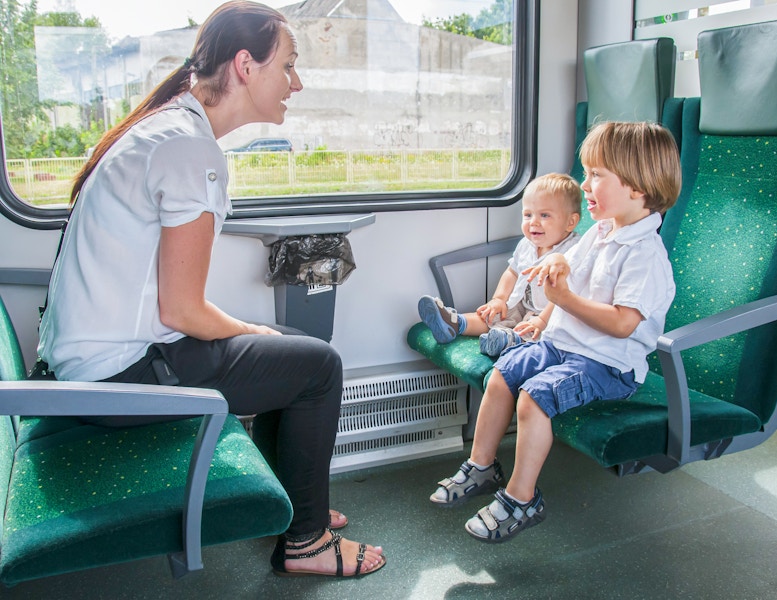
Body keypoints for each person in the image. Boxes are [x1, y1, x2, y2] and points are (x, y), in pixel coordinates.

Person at [37, 1, 384, 578]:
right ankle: (307, 544)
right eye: (290, 65)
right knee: (317, 365)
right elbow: (182, 308)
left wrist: (260, 334)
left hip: (94, 362)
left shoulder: (171, 128)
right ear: (246, 66)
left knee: (291, 341)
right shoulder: (189, 149)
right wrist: (249, 329)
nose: (297, 83)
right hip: (117, 379)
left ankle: (295, 505)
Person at [428, 121, 681, 544]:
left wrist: (563, 300)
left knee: (534, 397)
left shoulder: (644, 254)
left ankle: (522, 498)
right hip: (564, 344)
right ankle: (482, 464)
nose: (586, 184)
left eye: (597, 176)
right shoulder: (601, 232)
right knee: (503, 374)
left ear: (637, 188)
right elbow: (570, 263)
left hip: (608, 364)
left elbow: (622, 323)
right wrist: (557, 266)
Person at [417, 173, 581, 357]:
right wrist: (499, 299)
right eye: (528, 215)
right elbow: (512, 272)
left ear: (570, 222)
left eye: (544, 215)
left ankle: (507, 341)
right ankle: (454, 323)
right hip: (522, 303)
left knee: (538, 331)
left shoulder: (573, 251)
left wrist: (542, 321)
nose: (533, 222)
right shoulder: (527, 245)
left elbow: (567, 294)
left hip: (551, 313)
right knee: (496, 315)